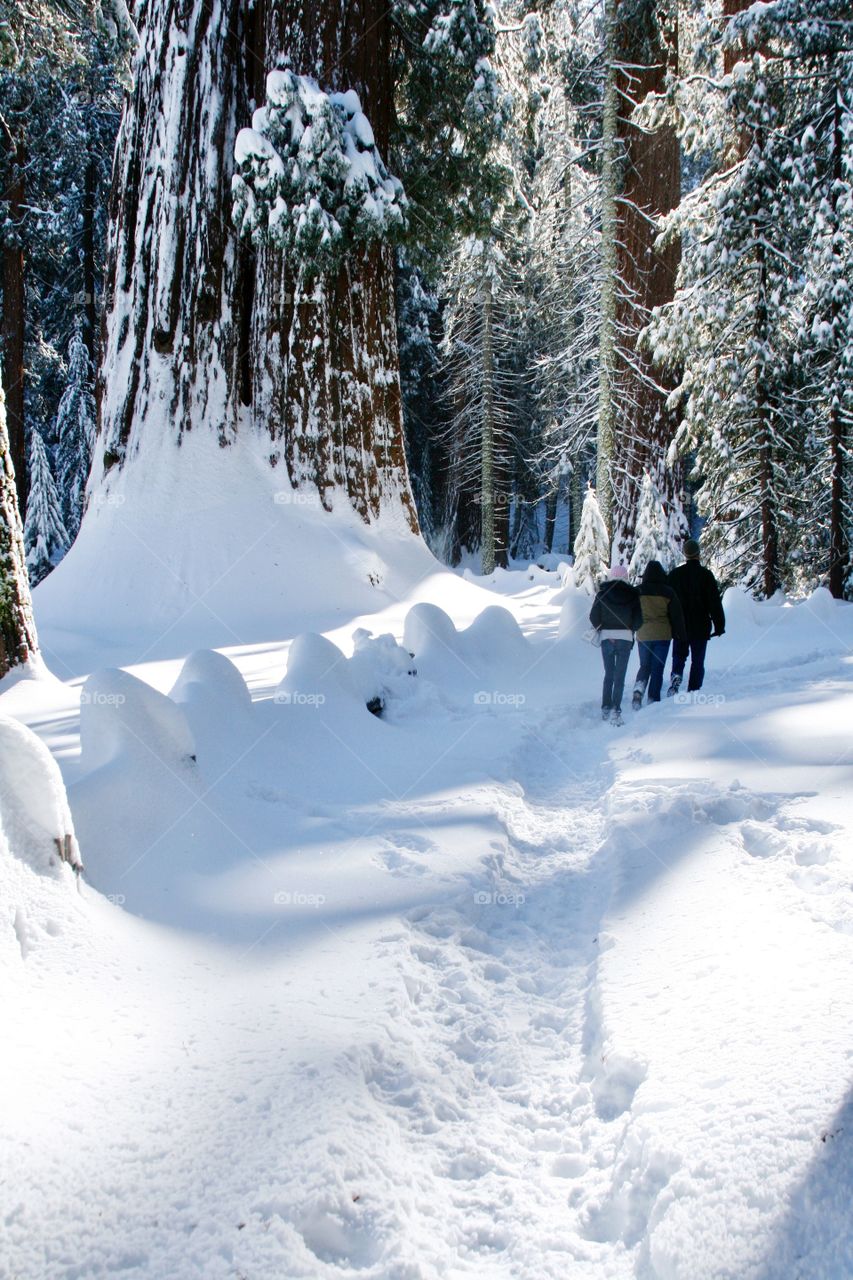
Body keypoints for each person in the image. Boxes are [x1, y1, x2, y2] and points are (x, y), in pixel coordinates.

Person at [666, 537, 725, 695]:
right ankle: (694, 688)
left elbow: (667, 601)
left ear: (685, 554)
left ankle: (676, 678)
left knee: (679, 655)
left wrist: (668, 621)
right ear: (698, 554)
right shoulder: (706, 575)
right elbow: (714, 603)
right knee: (697, 660)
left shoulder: (675, 575)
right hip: (700, 625)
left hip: (680, 626)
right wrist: (719, 625)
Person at [589, 565, 643, 726]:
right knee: (620, 676)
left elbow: (593, 617)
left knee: (609, 674)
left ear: (611, 576)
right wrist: (629, 629)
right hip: (625, 639)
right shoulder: (633, 595)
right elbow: (639, 620)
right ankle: (616, 709)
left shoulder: (602, 593)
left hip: (606, 637)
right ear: (626, 577)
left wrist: (603, 628)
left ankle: (605, 706)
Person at [632, 560, 686, 707]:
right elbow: (676, 615)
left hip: (643, 634)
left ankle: (638, 689)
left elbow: (632, 612)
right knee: (657, 667)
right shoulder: (668, 592)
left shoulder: (637, 591)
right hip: (663, 635)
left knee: (644, 665)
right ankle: (653, 699)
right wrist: (680, 634)